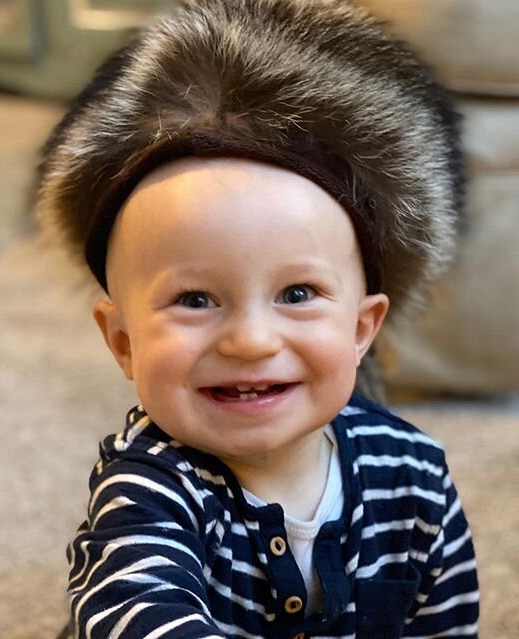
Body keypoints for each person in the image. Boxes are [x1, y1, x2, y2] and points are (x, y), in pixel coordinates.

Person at [35, 1, 479, 637]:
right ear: (124, 342)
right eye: (195, 299)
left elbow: (445, 623)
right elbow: (138, 613)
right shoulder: (147, 489)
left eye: (297, 293)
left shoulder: (415, 475)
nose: (250, 340)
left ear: (362, 329)